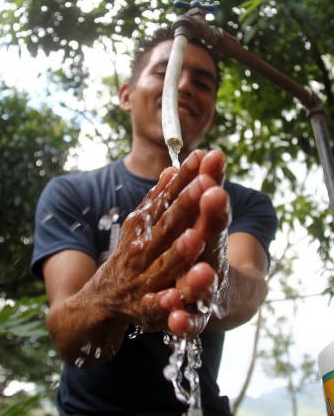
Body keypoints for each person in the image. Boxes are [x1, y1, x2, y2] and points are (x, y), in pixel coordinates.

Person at [31, 27, 278, 415]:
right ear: (126, 95)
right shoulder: (72, 194)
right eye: (164, 73)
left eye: (202, 82)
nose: (184, 86)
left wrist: (214, 284)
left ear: (210, 111)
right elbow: (66, 331)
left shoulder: (241, 203)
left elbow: (250, 286)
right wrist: (113, 290)